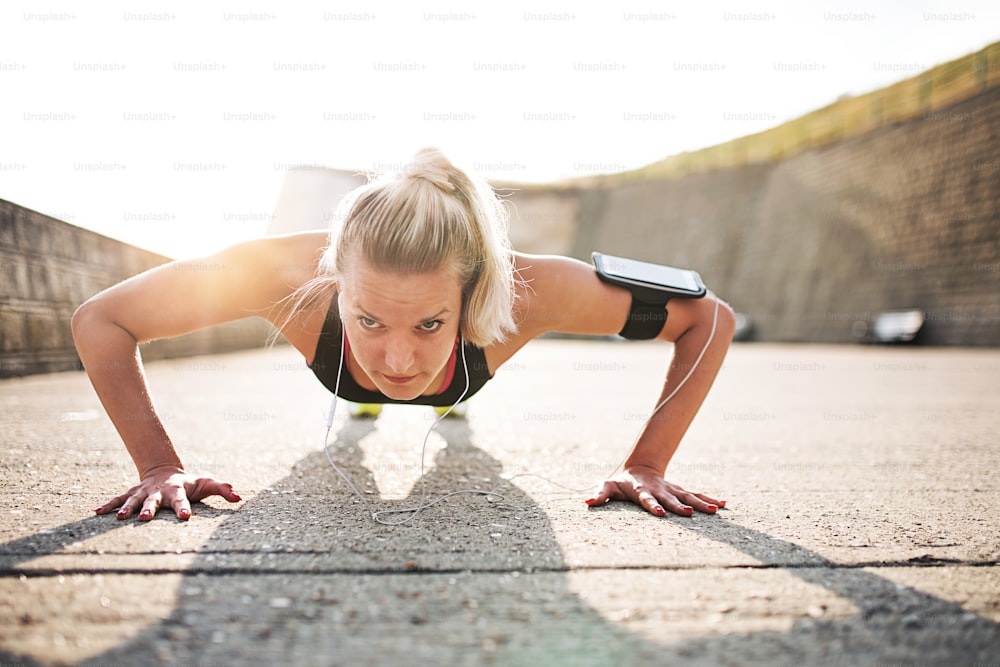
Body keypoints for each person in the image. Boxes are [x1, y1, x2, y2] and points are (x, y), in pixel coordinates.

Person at [72, 147, 737, 523]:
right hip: (335, 373)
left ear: (475, 292)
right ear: (331, 279)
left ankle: (445, 407)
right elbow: (101, 319)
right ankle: (364, 392)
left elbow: (709, 318)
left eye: (429, 322)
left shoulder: (533, 288)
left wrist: (646, 463)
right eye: (368, 318)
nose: (397, 359)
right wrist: (159, 465)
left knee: (449, 423)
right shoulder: (273, 272)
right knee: (364, 394)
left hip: (462, 382)